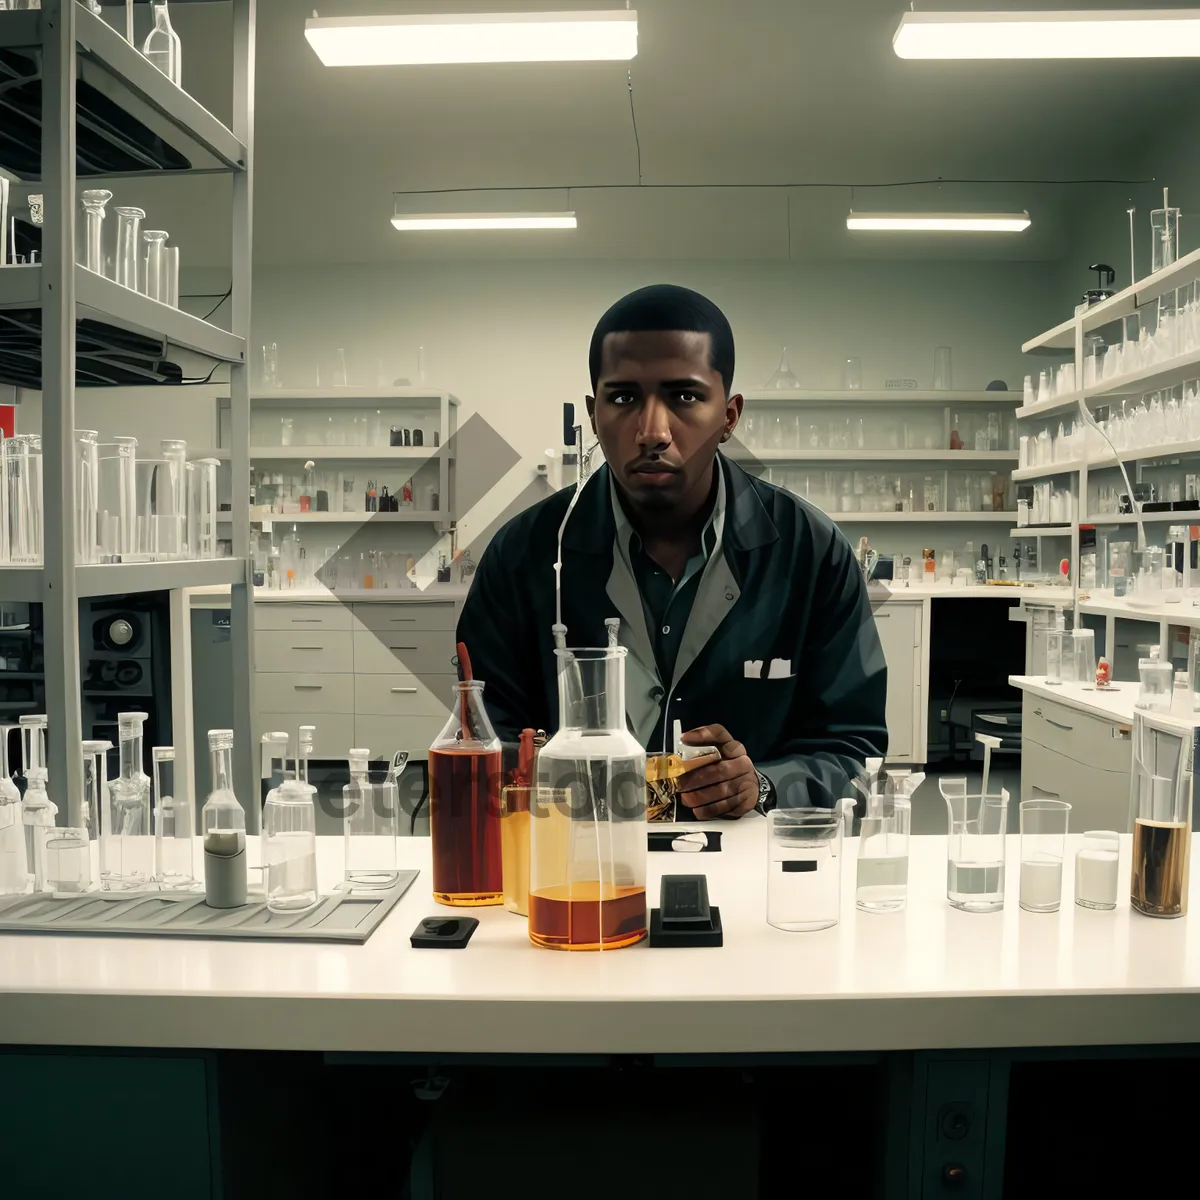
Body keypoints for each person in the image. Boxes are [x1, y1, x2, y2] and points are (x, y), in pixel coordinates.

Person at [457, 283, 887, 817]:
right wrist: (560, 780)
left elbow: (855, 752)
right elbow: (482, 738)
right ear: (593, 413)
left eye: (684, 396)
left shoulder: (812, 553)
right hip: (577, 864)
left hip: (756, 866)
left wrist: (764, 786)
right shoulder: (524, 556)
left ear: (729, 416)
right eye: (623, 398)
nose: (652, 430)